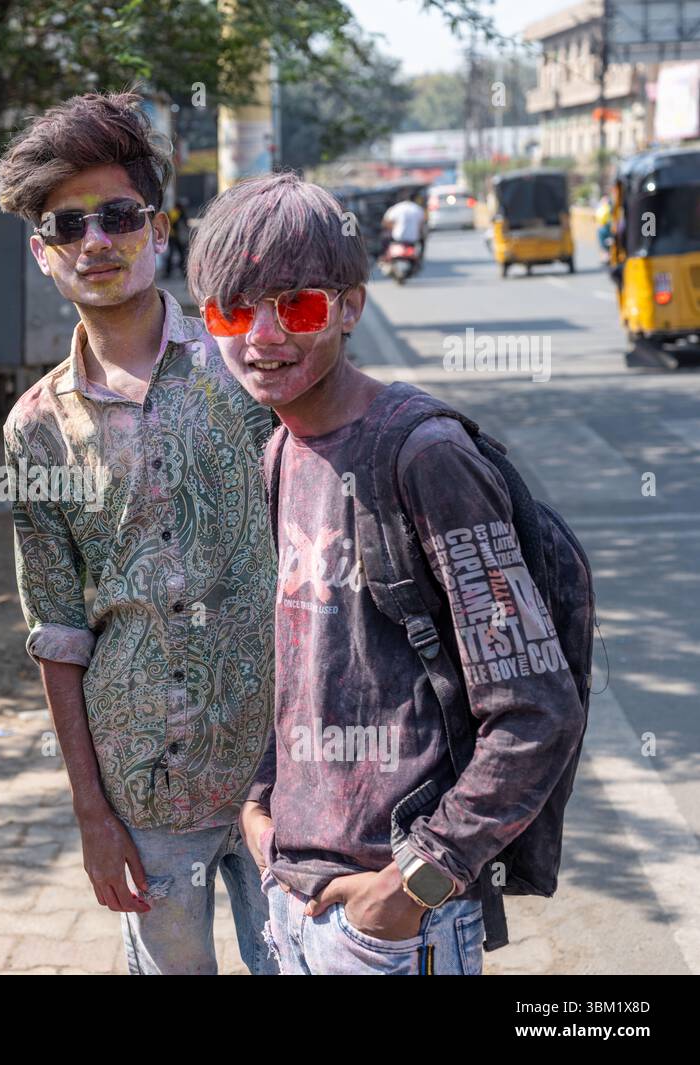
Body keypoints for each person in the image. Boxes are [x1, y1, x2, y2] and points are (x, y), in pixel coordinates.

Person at [186, 172, 585, 975]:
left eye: (295, 305)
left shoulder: (425, 456)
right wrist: (262, 806)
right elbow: (308, 665)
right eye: (234, 310)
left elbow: (537, 711)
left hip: (391, 924)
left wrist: (411, 888)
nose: (262, 337)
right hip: (295, 900)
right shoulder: (279, 451)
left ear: (351, 307)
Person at [0, 92, 278, 975]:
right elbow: (56, 627)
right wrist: (90, 810)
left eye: (117, 215)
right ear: (43, 255)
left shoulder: (250, 368)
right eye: (67, 225)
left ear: (158, 228)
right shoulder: (34, 427)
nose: (95, 242)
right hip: (144, 783)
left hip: (288, 768)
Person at [381, 192, 427, 265]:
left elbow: (385, 222)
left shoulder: (397, 207)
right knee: (423, 240)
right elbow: (421, 225)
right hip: (413, 238)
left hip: (398, 237)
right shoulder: (418, 209)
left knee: (384, 238)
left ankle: (384, 257)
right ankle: (419, 259)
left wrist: (393, 228)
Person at [165, 198, 190, 278]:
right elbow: (185, 225)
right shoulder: (180, 213)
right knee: (181, 254)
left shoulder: (170, 212)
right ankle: (184, 273)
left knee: (171, 254)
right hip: (177, 237)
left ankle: (168, 273)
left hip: (171, 236)